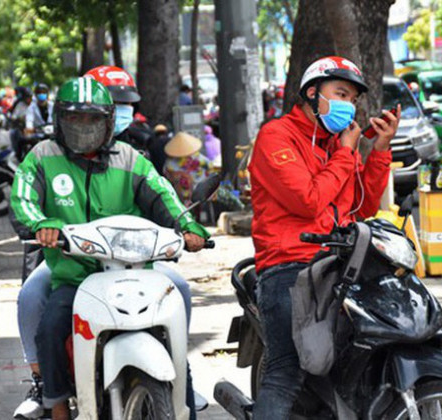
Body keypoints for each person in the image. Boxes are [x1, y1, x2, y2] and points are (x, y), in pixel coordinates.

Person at [10, 78, 209, 420]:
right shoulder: (43, 156)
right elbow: (23, 198)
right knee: (51, 329)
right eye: (75, 119)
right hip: (73, 275)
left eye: (93, 120)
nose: (84, 128)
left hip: (134, 271)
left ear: (108, 121)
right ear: (59, 120)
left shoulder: (129, 157)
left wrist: (188, 225)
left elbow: (162, 194)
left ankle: (184, 399)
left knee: (171, 318)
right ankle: (56, 405)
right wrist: (41, 223)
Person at [248, 56, 399, 419]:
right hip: (290, 266)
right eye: (341, 94)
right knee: (285, 373)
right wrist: (347, 153)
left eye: (353, 99)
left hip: (341, 263)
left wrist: (378, 150)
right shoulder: (277, 136)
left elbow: (362, 206)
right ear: (313, 93)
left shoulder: (334, 146)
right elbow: (307, 199)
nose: (349, 105)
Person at [163, 131, 213, 205]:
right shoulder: (200, 159)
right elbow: (211, 169)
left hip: (181, 196)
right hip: (201, 193)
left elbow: (167, 176)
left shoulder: (169, 163)